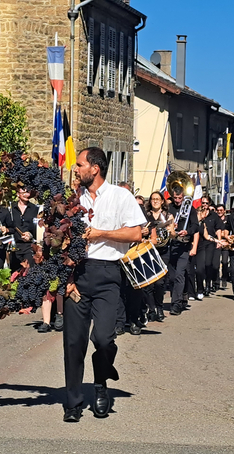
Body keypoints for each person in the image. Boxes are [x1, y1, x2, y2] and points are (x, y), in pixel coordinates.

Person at [63, 147, 145, 423]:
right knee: (74, 341)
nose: (75, 169)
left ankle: (100, 383)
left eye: (80, 164)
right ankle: (73, 402)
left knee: (103, 338)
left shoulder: (120, 196)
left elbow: (135, 232)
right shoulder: (72, 199)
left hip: (109, 273)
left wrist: (101, 234)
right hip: (77, 273)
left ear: (94, 169)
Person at [166, 187, 199, 315]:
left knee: (180, 274)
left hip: (184, 245)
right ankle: (183, 293)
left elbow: (196, 226)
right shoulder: (169, 209)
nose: (178, 201)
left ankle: (176, 304)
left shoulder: (190, 209)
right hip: (172, 245)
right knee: (173, 277)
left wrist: (188, 231)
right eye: (175, 198)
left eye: (180, 198)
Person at [143, 191, 169, 322]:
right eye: (153, 199)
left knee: (159, 283)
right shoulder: (146, 215)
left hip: (163, 251)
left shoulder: (168, 216)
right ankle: (152, 309)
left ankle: (159, 307)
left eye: (158, 199)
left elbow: (173, 234)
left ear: (162, 201)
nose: (155, 201)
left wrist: (171, 231)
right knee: (149, 283)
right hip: (149, 251)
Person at [9, 185, 38, 270]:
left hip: (29, 246)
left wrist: (30, 235)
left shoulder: (35, 209)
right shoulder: (11, 209)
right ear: (18, 194)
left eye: (28, 192)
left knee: (28, 273)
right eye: (24, 192)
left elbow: (37, 228)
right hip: (15, 247)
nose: (27, 195)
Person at [215, 204, 231, 289]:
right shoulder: (215, 219)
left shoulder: (228, 219)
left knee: (225, 262)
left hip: (225, 244)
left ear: (224, 211)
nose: (219, 212)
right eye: (218, 210)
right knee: (216, 264)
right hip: (217, 243)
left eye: (221, 210)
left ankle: (224, 278)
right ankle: (216, 282)